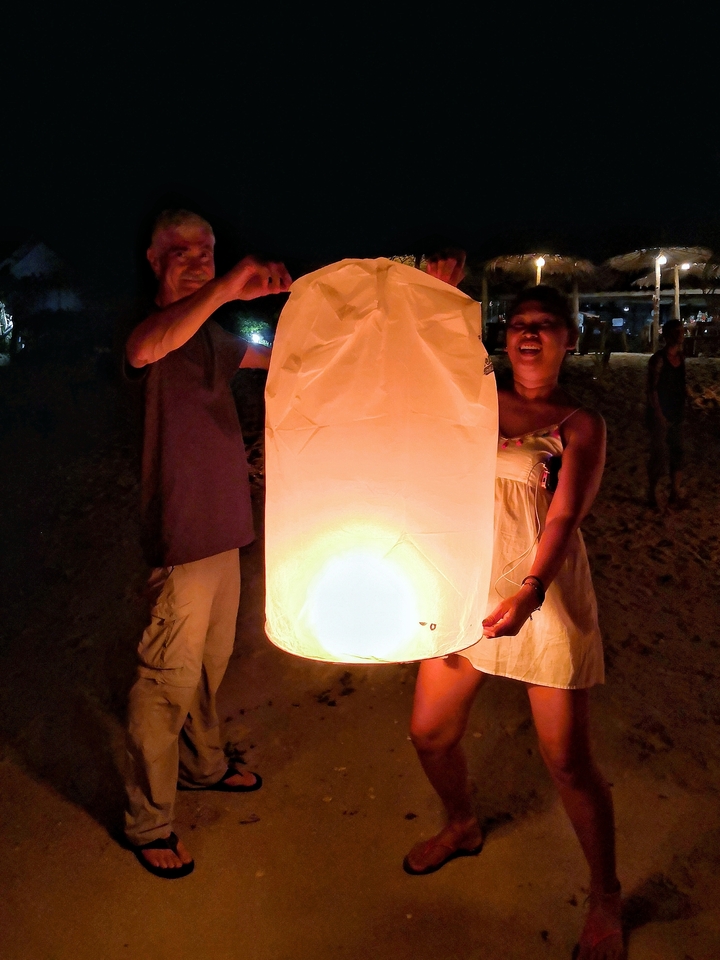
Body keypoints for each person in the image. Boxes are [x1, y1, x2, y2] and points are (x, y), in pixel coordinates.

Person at [405, 280, 623, 960]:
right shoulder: (472, 401)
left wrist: (530, 590)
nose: (529, 333)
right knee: (430, 732)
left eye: (547, 324)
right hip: (465, 590)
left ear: (571, 338)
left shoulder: (579, 424)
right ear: (503, 337)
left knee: (566, 761)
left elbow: (563, 517)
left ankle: (606, 895)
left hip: (545, 592)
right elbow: (411, 385)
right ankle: (462, 822)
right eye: (519, 322)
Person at [123, 209, 291, 878]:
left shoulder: (210, 336)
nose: (197, 257)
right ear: (151, 257)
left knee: (208, 665)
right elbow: (144, 350)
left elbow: (274, 356)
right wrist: (223, 288)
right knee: (165, 677)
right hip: (185, 536)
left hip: (226, 534)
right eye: (180, 249)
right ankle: (148, 821)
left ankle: (204, 764)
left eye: (208, 249)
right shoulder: (149, 329)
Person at [646, 318, 688, 509]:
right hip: (661, 413)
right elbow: (652, 390)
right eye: (678, 332)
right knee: (659, 456)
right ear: (669, 335)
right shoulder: (659, 360)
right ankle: (653, 493)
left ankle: (674, 492)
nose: (681, 335)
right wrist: (659, 414)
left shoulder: (681, 359)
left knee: (677, 453)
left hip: (677, 412)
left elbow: (680, 385)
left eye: (682, 331)